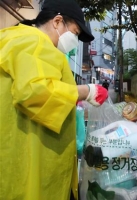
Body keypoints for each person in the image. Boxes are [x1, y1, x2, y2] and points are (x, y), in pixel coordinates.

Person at [0, 0, 108, 199]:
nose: (74, 41)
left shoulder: (14, 40)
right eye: (75, 33)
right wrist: (86, 91)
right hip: (32, 159)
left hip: (14, 152)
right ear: (57, 21)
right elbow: (34, 90)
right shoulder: (36, 43)